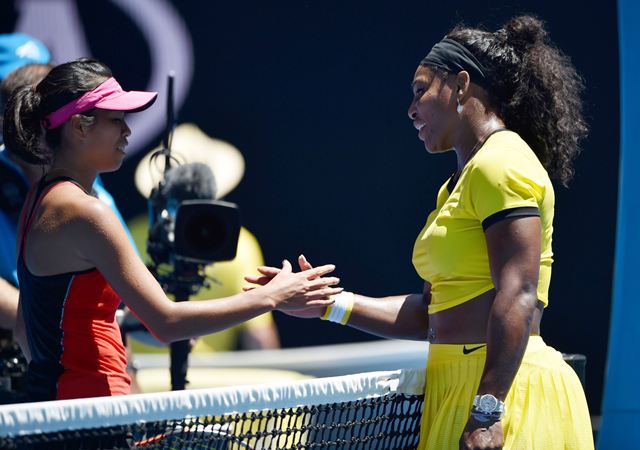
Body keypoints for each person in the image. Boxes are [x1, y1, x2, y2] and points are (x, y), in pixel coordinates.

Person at [248, 16, 593, 450]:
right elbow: (432, 312)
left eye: (420, 91)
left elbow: (520, 292)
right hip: (456, 389)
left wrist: (487, 410)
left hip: (503, 397)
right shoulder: (455, 185)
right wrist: (328, 305)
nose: (411, 110)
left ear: (461, 85)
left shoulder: (501, 161)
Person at [3, 57, 340, 402]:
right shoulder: (87, 212)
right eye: (116, 120)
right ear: (79, 127)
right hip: (93, 415)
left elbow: (25, 330)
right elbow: (166, 323)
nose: (127, 132)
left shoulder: (36, 201)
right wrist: (272, 296)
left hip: (57, 407)